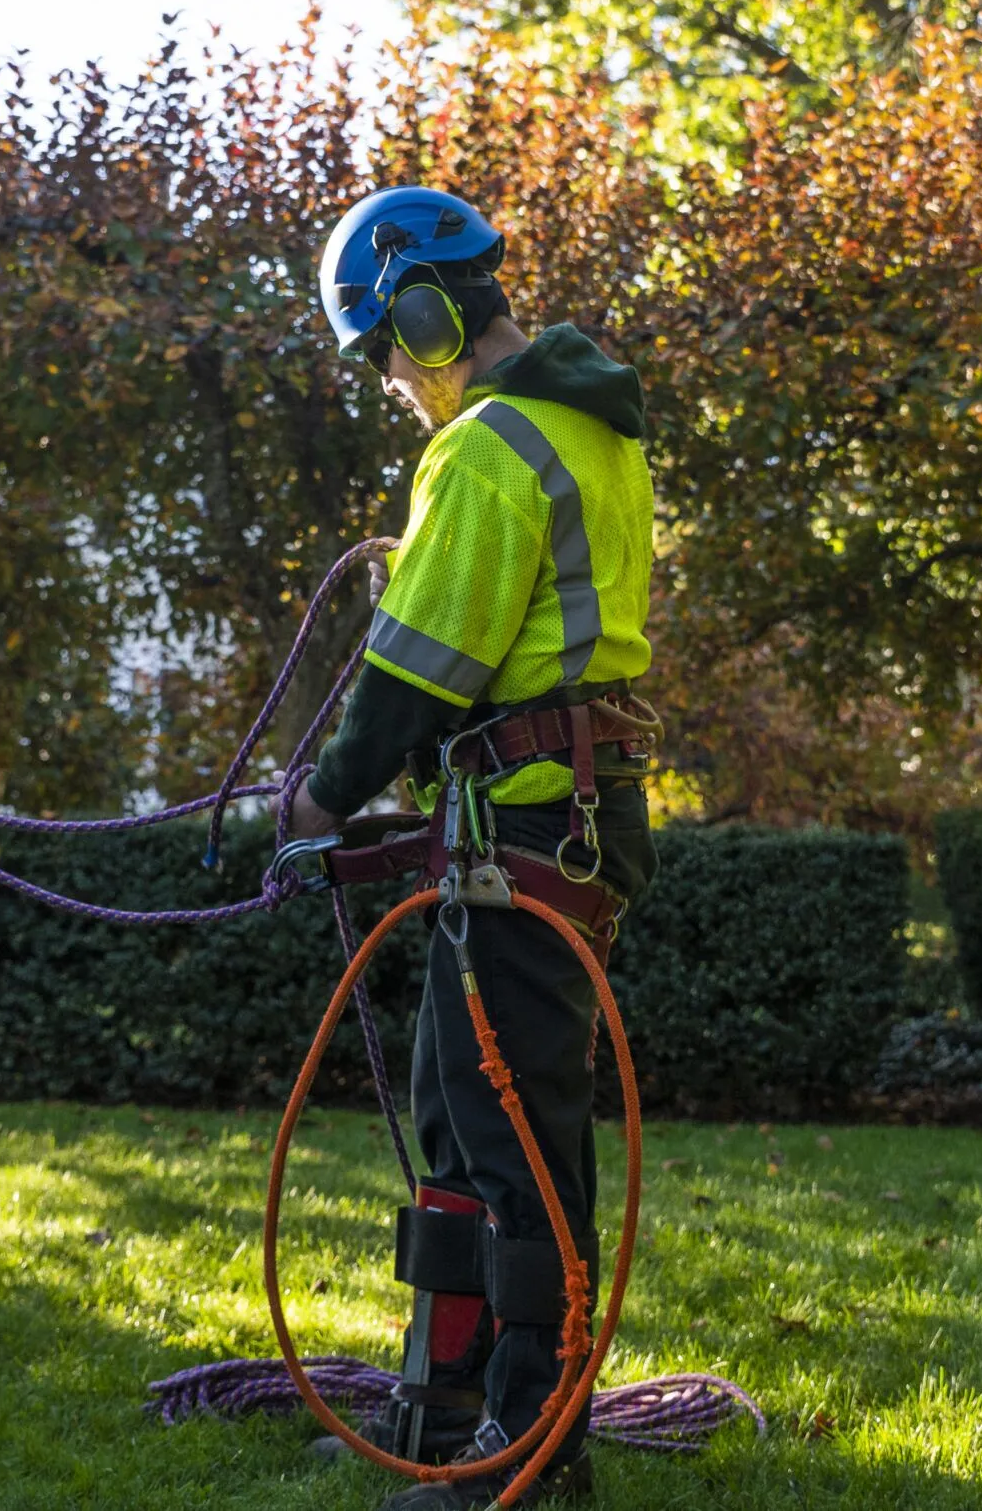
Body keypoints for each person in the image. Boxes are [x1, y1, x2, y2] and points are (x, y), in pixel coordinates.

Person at [287, 186, 658, 1508]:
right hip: (537, 820)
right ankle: (439, 1414)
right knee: (462, 1111)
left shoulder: (493, 445)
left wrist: (324, 800)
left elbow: (415, 673)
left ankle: (527, 1454)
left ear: (427, 314)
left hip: (531, 824)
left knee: (511, 1142)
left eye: (386, 347)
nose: (390, 378)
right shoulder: (588, 430)